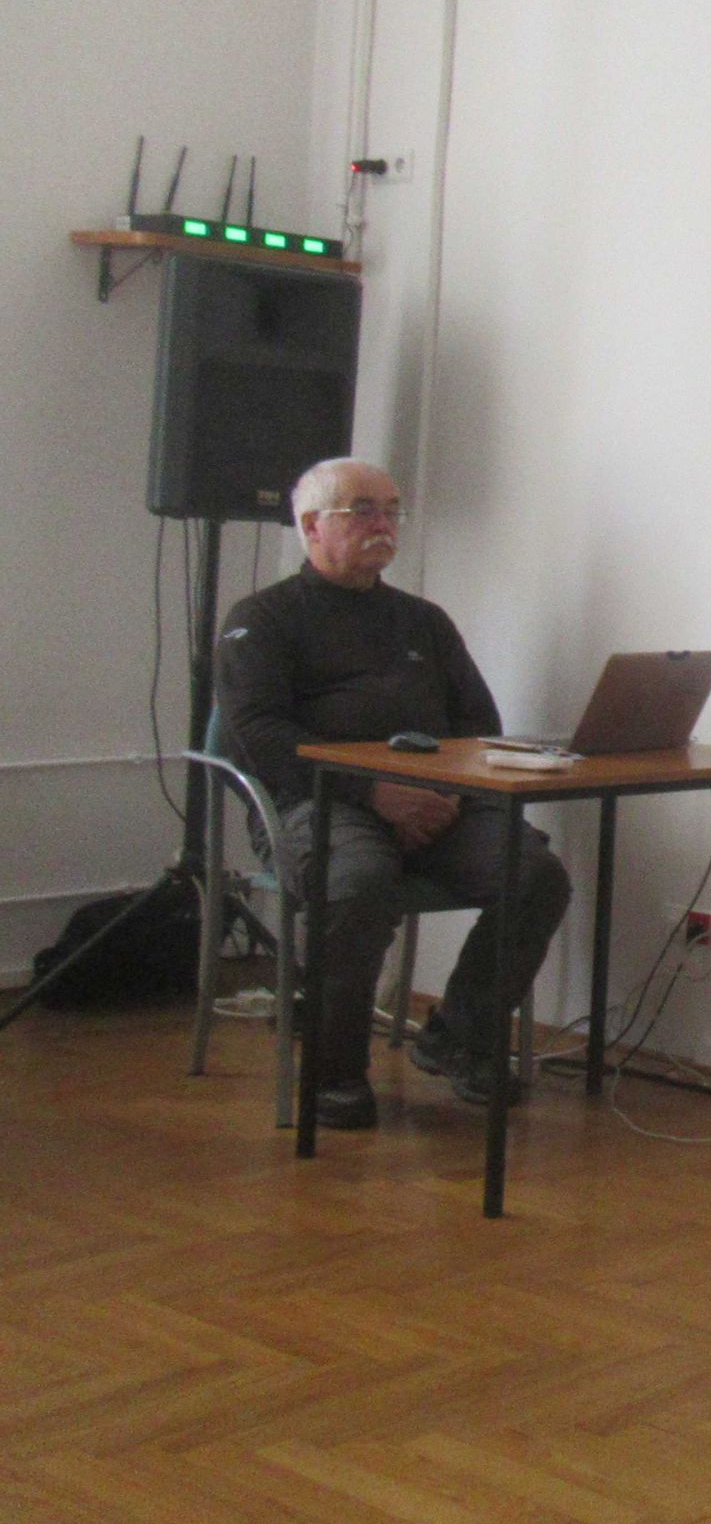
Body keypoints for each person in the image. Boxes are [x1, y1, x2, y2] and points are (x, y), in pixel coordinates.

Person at [216, 457, 571, 1130]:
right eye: (363, 510)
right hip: (314, 801)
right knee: (357, 883)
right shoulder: (262, 618)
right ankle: (334, 1072)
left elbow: (478, 724)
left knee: (535, 875)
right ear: (312, 525)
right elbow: (256, 736)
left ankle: (458, 1036)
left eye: (391, 509)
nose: (384, 524)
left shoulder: (423, 621)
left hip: (437, 799)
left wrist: (450, 795)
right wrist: (374, 793)